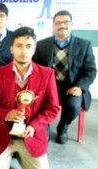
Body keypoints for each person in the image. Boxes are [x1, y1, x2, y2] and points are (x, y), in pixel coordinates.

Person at [0, 27, 59, 169]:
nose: (24, 51)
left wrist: (34, 126)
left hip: (32, 137)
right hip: (1, 137)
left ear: (34, 49)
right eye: (19, 46)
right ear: (11, 49)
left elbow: (53, 108)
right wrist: (5, 114)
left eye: (28, 46)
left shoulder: (47, 74)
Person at [33, 10, 97, 144]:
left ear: (72, 24)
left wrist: (79, 86)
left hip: (72, 86)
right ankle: (44, 127)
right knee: (36, 101)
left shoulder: (84, 45)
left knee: (73, 106)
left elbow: (90, 70)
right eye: (58, 23)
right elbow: (35, 67)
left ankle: (63, 127)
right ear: (53, 26)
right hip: (49, 86)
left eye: (66, 22)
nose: (62, 25)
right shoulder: (42, 44)